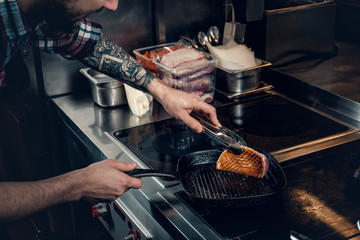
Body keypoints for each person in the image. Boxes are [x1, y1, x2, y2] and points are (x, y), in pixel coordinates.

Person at [0, 0, 220, 223]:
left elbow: (86, 42)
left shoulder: (33, 11)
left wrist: (163, 92)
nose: (113, 5)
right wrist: (77, 185)